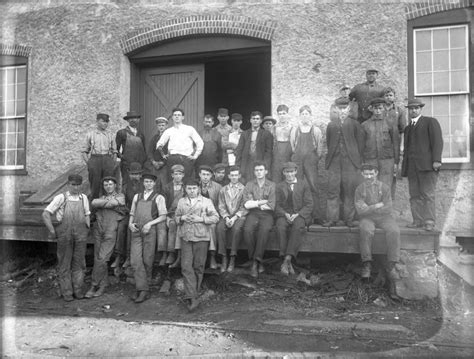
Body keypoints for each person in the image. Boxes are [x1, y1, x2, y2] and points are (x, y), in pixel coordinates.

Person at [42, 174, 90, 301]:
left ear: (81, 185)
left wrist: (86, 228)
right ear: (68, 185)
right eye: (73, 185)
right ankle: (67, 293)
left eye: (78, 185)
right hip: (65, 235)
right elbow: (46, 214)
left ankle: (78, 291)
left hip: (80, 235)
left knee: (79, 264)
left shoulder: (83, 197)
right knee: (64, 264)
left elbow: (87, 214)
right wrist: (52, 231)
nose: (75, 187)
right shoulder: (61, 197)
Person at [175, 178, 219, 312]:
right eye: (189, 188)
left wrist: (201, 219)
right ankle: (193, 297)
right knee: (186, 266)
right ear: (185, 189)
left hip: (201, 237)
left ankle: (194, 293)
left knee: (198, 266)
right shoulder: (182, 201)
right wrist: (181, 218)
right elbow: (176, 217)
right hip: (186, 237)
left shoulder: (206, 201)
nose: (192, 191)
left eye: (194, 188)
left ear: (198, 189)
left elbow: (216, 217)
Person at [401, 99, 443, 232]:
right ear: (408, 110)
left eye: (416, 108)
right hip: (412, 168)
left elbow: (437, 142)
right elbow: (407, 149)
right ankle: (417, 220)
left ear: (420, 109)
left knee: (428, 194)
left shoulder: (430, 122)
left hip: (427, 167)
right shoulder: (408, 128)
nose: (413, 110)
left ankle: (429, 221)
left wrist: (436, 160)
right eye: (411, 108)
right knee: (414, 195)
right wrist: (405, 167)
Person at [355, 163, 400, 279]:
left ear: (376, 173)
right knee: (365, 230)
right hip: (367, 218)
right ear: (362, 174)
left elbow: (388, 207)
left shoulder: (384, 188)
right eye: (366, 174)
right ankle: (367, 264)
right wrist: (375, 206)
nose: (369, 177)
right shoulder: (359, 189)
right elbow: (360, 210)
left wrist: (369, 208)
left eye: (371, 174)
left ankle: (391, 265)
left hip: (385, 217)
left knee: (394, 231)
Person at [324, 97, 364, 227]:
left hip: (350, 163)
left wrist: (357, 162)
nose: (342, 111)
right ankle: (332, 218)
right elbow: (330, 143)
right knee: (332, 190)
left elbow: (360, 144)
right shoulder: (331, 125)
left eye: (344, 108)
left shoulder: (355, 124)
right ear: (336, 109)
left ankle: (349, 219)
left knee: (349, 191)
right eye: (339, 108)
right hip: (334, 162)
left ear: (349, 109)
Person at [128, 173, 167, 303]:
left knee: (147, 260)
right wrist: (130, 224)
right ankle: (142, 288)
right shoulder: (137, 196)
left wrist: (150, 224)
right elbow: (132, 213)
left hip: (150, 230)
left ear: (154, 184)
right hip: (136, 230)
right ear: (143, 183)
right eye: (146, 182)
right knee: (135, 260)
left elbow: (163, 216)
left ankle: (144, 290)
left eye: (150, 182)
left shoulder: (158, 197)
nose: (148, 184)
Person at [85, 177, 126, 298]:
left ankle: (94, 285)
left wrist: (103, 204)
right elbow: (93, 203)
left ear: (115, 185)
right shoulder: (101, 198)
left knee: (102, 258)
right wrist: (108, 203)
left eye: (110, 184)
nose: (108, 186)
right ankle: (103, 284)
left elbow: (117, 202)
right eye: (106, 185)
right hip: (98, 230)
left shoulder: (121, 196)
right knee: (98, 258)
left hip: (111, 231)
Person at [275, 162, 313, 275]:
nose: (290, 174)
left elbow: (309, 204)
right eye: (287, 172)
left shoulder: (303, 185)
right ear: (284, 173)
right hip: (284, 214)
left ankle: (287, 259)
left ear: (296, 171)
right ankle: (286, 261)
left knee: (297, 228)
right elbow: (276, 205)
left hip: (299, 215)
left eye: (292, 172)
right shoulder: (279, 186)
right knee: (280, 227)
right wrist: (285, 214)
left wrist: (298, 214)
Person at [289, 105, 323, 222]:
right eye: (302, 114)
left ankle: (317, 216)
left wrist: (313, 159)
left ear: (310, 115)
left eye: (307, 114)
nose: (305, 116)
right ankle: (298, 215)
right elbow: (293, 146)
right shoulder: (295, 130)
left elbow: (319, 148)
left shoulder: (316, 130)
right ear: (300, 116)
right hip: (297, 160)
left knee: (313, 186)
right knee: (297, 186)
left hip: (311, 161)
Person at [242, 161, 276, 278]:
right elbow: (246, 204)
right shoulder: (249, 184)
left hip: (267, 214)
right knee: (247, 230)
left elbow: (272, 205)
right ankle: (256, 260)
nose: (259, 172)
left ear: (266, 171)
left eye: (261, 170)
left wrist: (255, 203)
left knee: (264, 230)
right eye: (256, 170)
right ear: (254, 172)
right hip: (253, 214)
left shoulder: (272, 185)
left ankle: (255, 263)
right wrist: (261, 202)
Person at [361, 97, 399, 190]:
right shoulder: (365, 125)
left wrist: (396, 162)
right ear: (372, 109)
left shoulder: (391, 123)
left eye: (380, 108)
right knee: (371, 187)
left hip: (387, 160)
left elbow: (396, 143)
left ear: (384, 108)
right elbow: (361, 145)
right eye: (375, 108)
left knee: (386, 187)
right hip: (370, 160)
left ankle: (387, 204)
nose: (378, 111)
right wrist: (362, 162)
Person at [156, 108, 204, 180]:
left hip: (186, 159)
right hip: (172, 159)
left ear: (183, 117)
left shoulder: (189, 129)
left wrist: (195, 155)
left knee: (186, 180)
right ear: (172, 117)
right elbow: (159, 144)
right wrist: (163, 155)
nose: (177, 117)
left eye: (179, 115)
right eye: (175, 115)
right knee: (171, 181)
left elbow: (200, 142)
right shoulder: (169, 131)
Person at [216, 166, 247, 272]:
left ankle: (232, 258)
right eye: (232, 175)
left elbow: (244, 206)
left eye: (236, 175)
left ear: (239, 176)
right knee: (220, 228)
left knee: (236, 229)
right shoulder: (223, 190)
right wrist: (225, 217)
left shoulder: (244, 189)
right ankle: (224, 257)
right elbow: (221, 206)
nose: (234, 177)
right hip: (226, 216)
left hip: (239, 216)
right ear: (229, 176)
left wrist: (234, 218)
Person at [112, 162, 143, 269]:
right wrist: (127, 211)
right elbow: (122, 202)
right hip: (129, 213)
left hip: (141, 214)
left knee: (131, 231)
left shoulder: (145, 186)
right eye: (133, 174)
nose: (135, 176)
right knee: (121, 227)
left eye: (137, 174)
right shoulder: (125, 187)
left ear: (141, 175)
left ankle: (129, 257)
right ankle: (119, 256)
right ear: (129, 174)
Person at [81, 113, 117, 200]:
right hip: (95, 159)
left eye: (107, 122)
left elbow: (114, 151)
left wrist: (112, 162)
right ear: (97, 122)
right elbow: (84, 151)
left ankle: (108, 205)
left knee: (109, 183)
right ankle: (94, 207)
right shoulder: (90, 134)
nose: (105, 124)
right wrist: (89, 163)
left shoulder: (110, 135)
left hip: (107, 159)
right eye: (103, 121)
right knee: (95, 184)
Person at [235, 111, 273, 183]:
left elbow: (268, 152)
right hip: (247, 163)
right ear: (250, 120)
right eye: (253, 118)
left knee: (259, 183)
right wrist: (238, 166)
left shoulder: (266, 134)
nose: (255, 120)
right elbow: (239, 150)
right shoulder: (244, 134)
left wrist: (265, 166)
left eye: (257, 119)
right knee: (247, 183)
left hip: (260, 163)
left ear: (261, 121)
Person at [383, 87, 407, 199]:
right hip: (381, 146)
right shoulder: (379, 109)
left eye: (391, 95)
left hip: (394, 147)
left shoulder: (399, 111)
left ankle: (390, 205)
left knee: (392, 176)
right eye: (386, 95)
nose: (388, 97)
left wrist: (401, 146)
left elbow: (403, 131)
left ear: (394, 96)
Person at [197, 165, 222, 269]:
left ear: (211, 175)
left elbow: (220, 205)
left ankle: (212, 257)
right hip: (197, 214)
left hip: (212, 214)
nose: (205, 177)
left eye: (208, 175)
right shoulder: (195, 186)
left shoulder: (218, 187)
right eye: (203, 174)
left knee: (211, 227)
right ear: (199, 175)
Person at [162, 164, 186, 267]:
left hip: (182, 213)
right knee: (171, 224)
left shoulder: (186, 187)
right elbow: (163, 204)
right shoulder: (167, 187)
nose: (177, 176)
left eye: (180, 174)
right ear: (172, 175)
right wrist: (166, 216)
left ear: (183, 175)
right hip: (170, 214)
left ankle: (178, 256)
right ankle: (169, 253)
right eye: (175, 174)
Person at [116, 111, 147, 188]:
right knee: (126, 184)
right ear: (128, 121)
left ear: (138, 120)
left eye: (135, 118)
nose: (133, 120)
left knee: (139, 184)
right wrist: (123, 158)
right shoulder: (122, 133)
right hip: (127, 164)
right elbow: (116, 149)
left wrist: (143, 161)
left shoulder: (141, 134)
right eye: (131, 118)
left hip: (139, 165)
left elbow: (144, 149)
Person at [146, 116, 169, 192]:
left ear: (166, 126)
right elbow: (150, 152)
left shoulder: (170, 138)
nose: (161, 127)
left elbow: (171, 152)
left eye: (163, 125)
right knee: (155, 185)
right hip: (155, 166)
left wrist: (163, 162)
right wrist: (153, 162)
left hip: (165, 166)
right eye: (159, 125)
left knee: (164, 186)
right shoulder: (154, 138)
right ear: (157, 126)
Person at [272, 105, 294, 182]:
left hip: (288, 150)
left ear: (287, 114)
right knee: (277, 172)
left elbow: (294, 141)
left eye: (284, 113)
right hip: (277, 151)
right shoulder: (274, 127)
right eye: (280, 114)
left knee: (287, 170)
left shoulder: (292, 127)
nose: (282, 116)